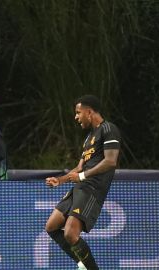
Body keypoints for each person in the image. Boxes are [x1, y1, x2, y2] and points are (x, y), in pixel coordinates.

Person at [45, 95, 121, 270]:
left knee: (71, 233)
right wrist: (60, 180)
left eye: (78, 113)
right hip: (80, 186)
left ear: (89, 112)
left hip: (92, 189)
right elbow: (79, 167)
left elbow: (110, 161)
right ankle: (83, 264)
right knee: (51, 226)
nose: (76, 117)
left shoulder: (109, 129)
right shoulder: (88, 138)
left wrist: (82, 176)